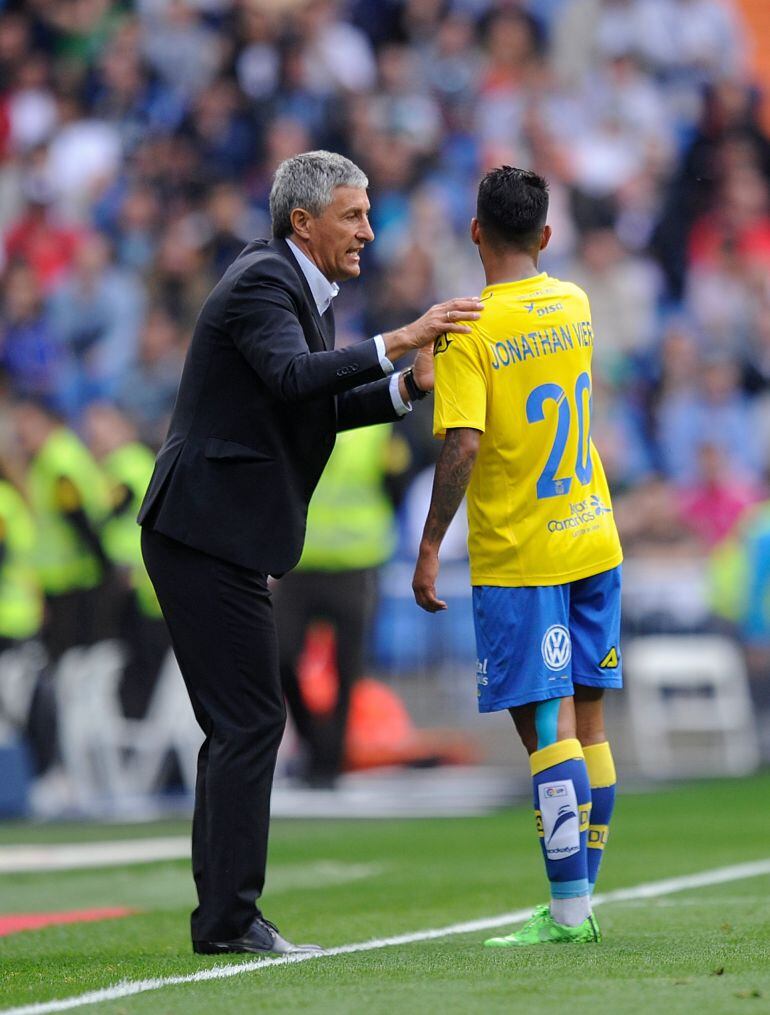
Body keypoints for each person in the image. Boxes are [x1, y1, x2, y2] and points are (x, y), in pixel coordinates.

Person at [138, 150, 483, 956]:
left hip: (216, 533)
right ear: (304, 222)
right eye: (353, 215)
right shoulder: (266, 280)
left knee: (242, 722)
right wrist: (400, 337)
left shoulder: (294, 286)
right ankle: (228, 919)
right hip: (203, 530)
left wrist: (405, 387)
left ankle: (225, 916)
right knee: (250, 720)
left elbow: (306, 404)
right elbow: (297, 379)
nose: (369, 229)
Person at [412, 167, 623, 947]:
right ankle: (579, 902)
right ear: (544, 235)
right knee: (590, 723)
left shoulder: (466, 328)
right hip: (593, 532)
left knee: (547, 722)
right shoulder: (574, 301)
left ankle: (569, 913)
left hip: (523, 551)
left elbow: (465, 442)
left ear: (474, 232)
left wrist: (431, 545)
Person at [274, 422, 400, 788]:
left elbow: (397, 484)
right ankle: (317, 742)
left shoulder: (377, 430)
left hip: (355, 562)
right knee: (280, 655)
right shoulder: (300, 417)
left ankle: (330, 760)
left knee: (348, 670)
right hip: (302, 561)